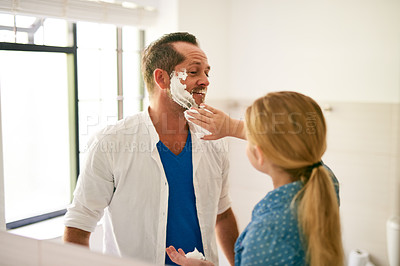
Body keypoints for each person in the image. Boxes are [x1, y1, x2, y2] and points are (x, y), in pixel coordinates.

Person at [63, 32, 239, 266]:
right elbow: (78, 226)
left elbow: (223, 213)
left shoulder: (214, 140)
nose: (205, 80)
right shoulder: (111, 143)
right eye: (194, 71)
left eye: (207, 72)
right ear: (162, 78)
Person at [166, 91, 344, 266]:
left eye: (250, 135)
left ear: (259, 154)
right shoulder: (326, 181)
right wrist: (235, 127)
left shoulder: (266, 233)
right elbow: (305, 147)